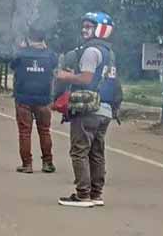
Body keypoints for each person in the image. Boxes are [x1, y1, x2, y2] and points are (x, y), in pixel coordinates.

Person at [55, 12, 119, 208]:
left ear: (100, 29)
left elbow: (86, 78)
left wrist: (64, 76)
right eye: (83, 26)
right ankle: (96, 193)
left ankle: (82, 194)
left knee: (79, 151)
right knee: (97, 153)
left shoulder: (91, 51)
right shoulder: (110, 53)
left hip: (88, 108)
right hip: (105, 110)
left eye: (89, 26)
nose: (84, 30)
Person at [10, 26, 58, 174]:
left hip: (23, 98)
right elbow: (54, 66)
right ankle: (47, 163)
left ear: (29, 38)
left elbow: (12, 66)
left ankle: (27, 164)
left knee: (25, 132)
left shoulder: (20, 54)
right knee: (45, 131)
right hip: (43, 98)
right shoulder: (50, 55)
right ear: (43, 39)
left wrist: (22, 48)